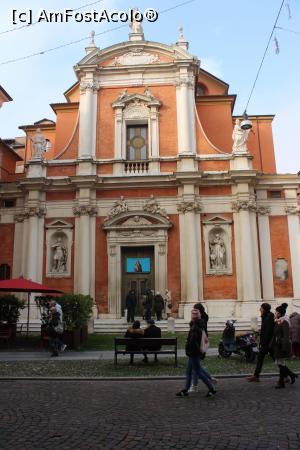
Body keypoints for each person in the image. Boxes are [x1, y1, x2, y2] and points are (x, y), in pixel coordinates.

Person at [176, 318, 216, 398]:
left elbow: (192, 343)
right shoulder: (200, 329)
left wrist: (188, 347)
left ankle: (211, 389)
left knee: (198, 372)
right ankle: (186, 390)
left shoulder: (194, 330)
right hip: (194, 354)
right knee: (189, 371)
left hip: (193, 354)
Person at [188, 308, 217, 393]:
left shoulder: (197, 324)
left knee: (195, 369)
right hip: (198, 348)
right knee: (196, 368)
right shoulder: (202, 322)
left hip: (195, 350)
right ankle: (209, 380)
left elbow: (194, 340)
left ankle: (197, 386)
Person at [272, 303, 298, 388]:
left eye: (276, 312)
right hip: (278, 345)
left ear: (279, 313)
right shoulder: (278, 321)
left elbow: (286, 336)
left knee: (280, 363)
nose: (275, 314)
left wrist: (284, 348)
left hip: (281, 346)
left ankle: (282, 382)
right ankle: (291, 375)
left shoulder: (285, 321)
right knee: (280, 364)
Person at [247, 303, 274, 382]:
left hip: (267, 344)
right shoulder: (266, 316)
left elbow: (268, 332)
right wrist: (258, 334)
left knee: (276, 359)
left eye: (261, 308)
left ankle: (289, 374)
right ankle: (256, 376)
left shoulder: (268, 317)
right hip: (266, 343)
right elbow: (264, 329)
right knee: (262, 358)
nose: (260, 309)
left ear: (264, 309)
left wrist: (263, 343)